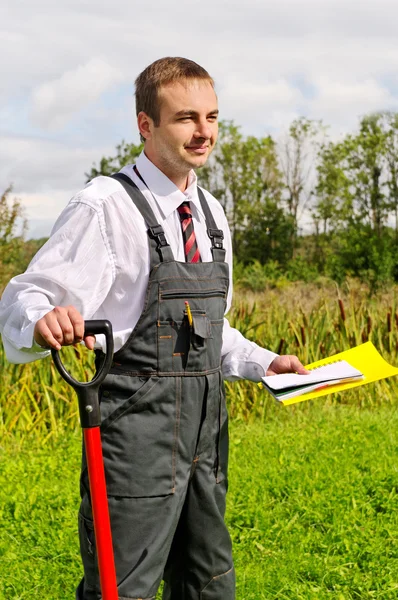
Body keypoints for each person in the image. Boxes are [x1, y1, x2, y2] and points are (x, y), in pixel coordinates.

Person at [0, 57, 307, 600]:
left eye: (212, 116)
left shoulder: (211, 213)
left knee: (207, 582)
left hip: (205, 437)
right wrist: (42, 318)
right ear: (146, 125)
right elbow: (24, 296)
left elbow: (211, 329)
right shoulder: (105, 207)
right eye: (186, 117)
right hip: (135, 433)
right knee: (125, 588)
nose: (204, 131)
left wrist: (265, 364)